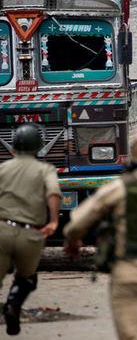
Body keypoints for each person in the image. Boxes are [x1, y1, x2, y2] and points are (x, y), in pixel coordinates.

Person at [64, 131, 137, 340]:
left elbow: (77, 223)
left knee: (132, 335)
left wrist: (73, 241)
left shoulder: (118, 188)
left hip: (127, 275)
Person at [0, 124, 61, 336]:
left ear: (13, 147)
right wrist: (53, 221)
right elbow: (53, 193)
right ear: (39, 148)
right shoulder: (45, 170)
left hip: (2, 231)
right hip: (30, 234)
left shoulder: (2, 168)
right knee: (27, 278)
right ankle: (13, 303)